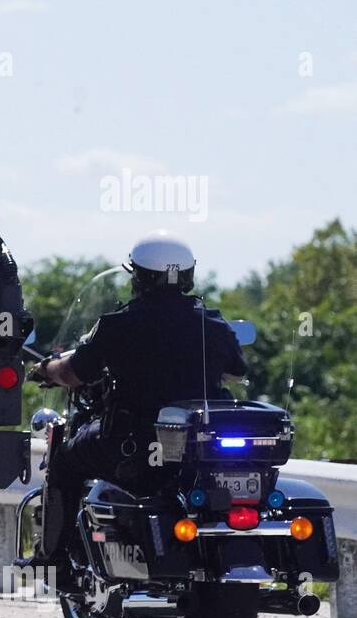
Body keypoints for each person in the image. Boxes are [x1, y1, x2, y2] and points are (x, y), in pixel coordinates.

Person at [28, 231, 248, 572]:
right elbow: (237, 372)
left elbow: (74, 374)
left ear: (139, 277)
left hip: (130, 441)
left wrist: (45, 368)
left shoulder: (119, 323)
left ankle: (55, 562)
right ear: (188, 275)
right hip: (196, 445)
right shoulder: (212, 322)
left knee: (66, 459)